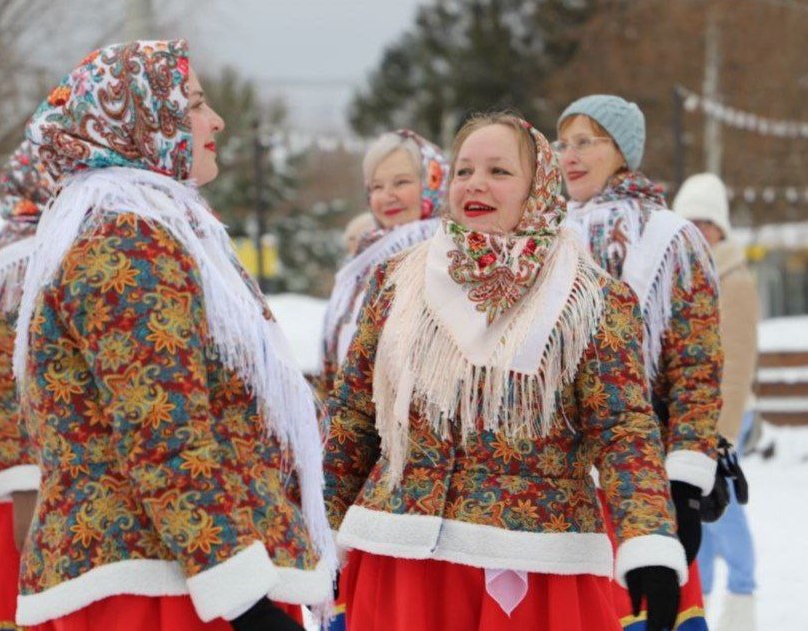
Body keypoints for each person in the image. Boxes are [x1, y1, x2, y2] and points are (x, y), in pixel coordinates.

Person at [11, 40, 335, 631]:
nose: (217, 120)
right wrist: (244, 599)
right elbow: (164, 430)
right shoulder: (128, 244)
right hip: (161, 587)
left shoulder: (155, 229)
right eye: (194, 104)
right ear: (140, 118)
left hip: (178, 569)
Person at [324, 111, 687, 631]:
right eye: (464, 171)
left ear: (537, 186)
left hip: (535, 560)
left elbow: (623, 429)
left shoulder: (590, 297)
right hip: (401, 558)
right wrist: (318, 529)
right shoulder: (397, 281)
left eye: (498, 171)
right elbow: (354, 417)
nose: (476, 184)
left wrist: (648, 540)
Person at [557, 94, 723, 629]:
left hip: (642, 484)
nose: (569, 156)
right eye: (562, 144)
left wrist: (684, 484)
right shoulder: (547, 234)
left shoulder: (670, 237)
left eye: (586, 141)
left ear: (623, 150)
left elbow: (696, 370)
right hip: (559, 489)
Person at [0, 140, 55, 631]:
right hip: (28, 481)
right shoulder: (22, 261)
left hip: (25, 476)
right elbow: (4, 375)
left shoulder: (10, 251)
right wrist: (25, 488)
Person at [675, 173, 759, 631]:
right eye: (691, 221)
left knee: (724, 512)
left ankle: (743, 595)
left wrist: (722, 432)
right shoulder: (686, 273)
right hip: (693, 417)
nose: (700, 230)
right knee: (696, 513)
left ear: (721, 228)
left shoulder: (733, 278)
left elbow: (740, 359)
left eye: (707, 221)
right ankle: (699, 600)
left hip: (723, 419)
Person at [320, 130, 448, 397]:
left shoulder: (445, 253)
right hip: (356, 419)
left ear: (432, 183)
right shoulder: (365, 256)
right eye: (377, 187)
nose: (387, 195)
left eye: (401, 183)